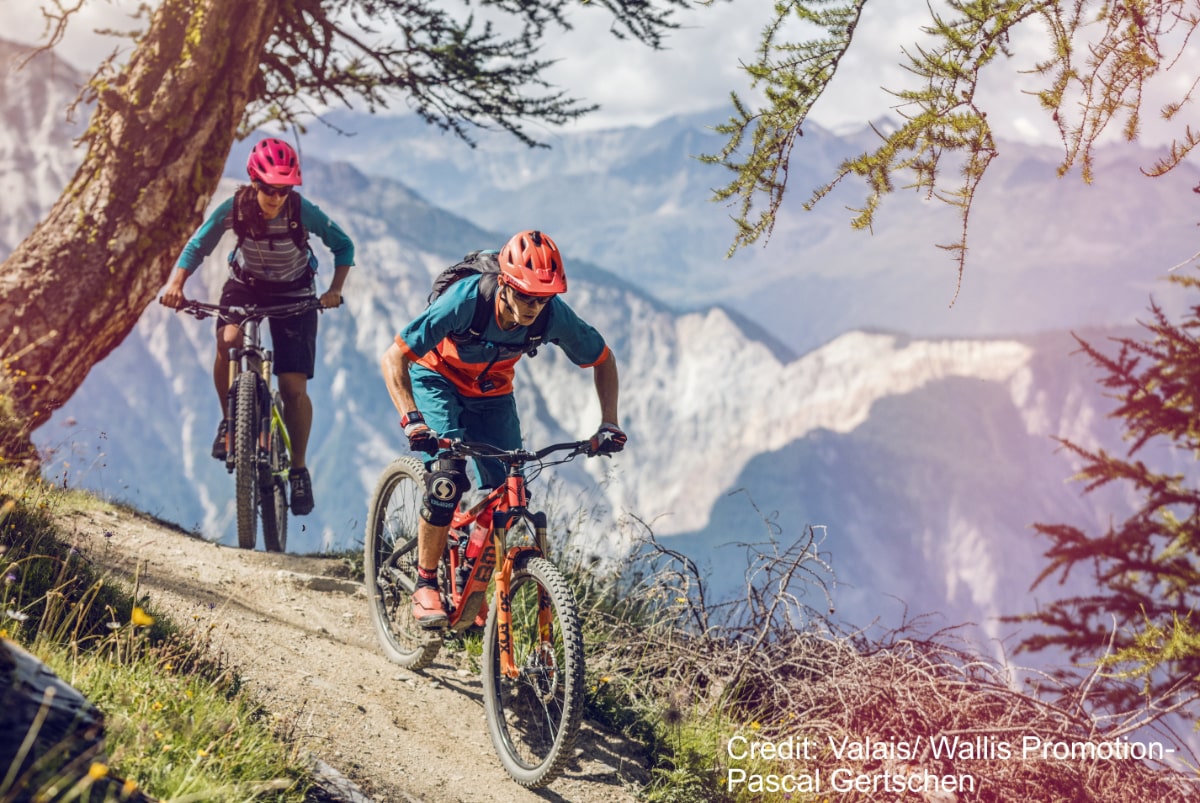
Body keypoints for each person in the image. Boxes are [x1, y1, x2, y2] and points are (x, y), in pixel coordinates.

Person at [381, 229, 626, 627]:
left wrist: (609, 422)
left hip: (491, 393)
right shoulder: (465, 301)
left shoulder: (551, 314)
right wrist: (412, 419)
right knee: (446, 481)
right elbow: (395, 357)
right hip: (436, 380)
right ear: (506, 284)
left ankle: (468, 580)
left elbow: (603, 359)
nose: (534, 307)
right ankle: (425, 583)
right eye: (527, 296)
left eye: (543, 298)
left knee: (510, 497)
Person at [159, 137, 355, 516]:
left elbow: (343, 245)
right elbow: (197, 246)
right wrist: (176, 285)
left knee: (293, 387)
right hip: (245, 285)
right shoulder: (235, 208)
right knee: (228, 342)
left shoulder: (301, 210)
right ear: (254, 181)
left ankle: (298, 469)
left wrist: (334, 290)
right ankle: (229, 422)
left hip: (296, 291)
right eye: (269, 189)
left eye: (284, 190)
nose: (276, 198)